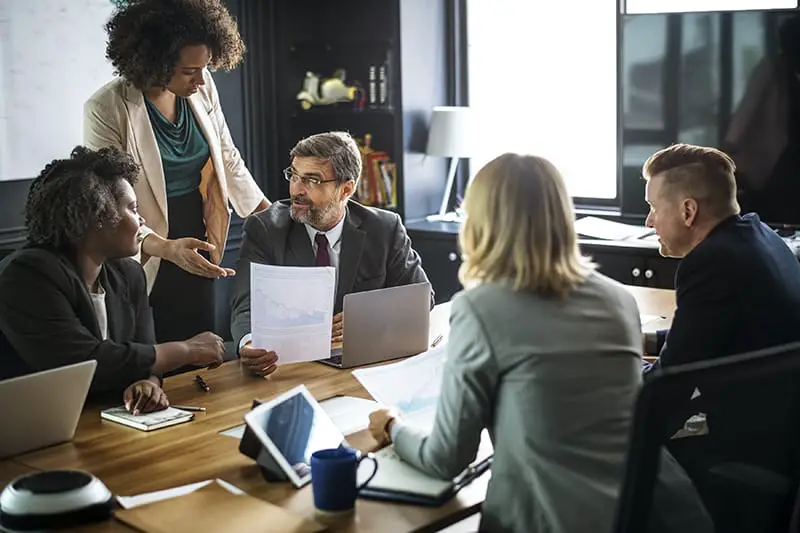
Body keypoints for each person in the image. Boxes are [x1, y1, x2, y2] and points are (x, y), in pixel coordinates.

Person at [365, 153, 644, 532]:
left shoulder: (481, 309)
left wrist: (392, 426)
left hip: (542, 518)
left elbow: (445, 459)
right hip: (635, 512)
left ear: (480, 223)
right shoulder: (619, 299)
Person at [84, 0, 270, 345]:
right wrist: (165, 248)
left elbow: (227, 158)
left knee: (200, 345)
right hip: (140, 240)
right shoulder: (106, 108)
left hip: (197, 232)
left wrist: (269, 216)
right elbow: (106, 203)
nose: (201, 79)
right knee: (153, 351)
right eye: (188, 71)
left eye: (205, 67)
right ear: (154, 61)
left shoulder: (202, 85)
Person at [641, 143, 800, 524]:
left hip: (745, 446)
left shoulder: (710, 263)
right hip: (782, 431)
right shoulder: (762, 238)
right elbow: (710, 336)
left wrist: (610, 382)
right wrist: (644, 343)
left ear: (688, 211)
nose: (649, 222)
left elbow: (668, 385)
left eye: (653, 207)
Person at [0, 147, 225, 414]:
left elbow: (142, 354)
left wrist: (147, 382)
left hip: (105, 421)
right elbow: (85, 363)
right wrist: (186, 350)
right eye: (132, 208)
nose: (141, 220)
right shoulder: (26, 275)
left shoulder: (129, 274)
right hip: (32, 426)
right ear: (97, 217)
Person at [230, 131, 432, 377]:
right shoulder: (265, 228)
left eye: (312, 180)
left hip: (362, 366)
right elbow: (245, 304)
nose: (297, 189)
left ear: (346, 190)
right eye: (294, 175)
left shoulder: (384, 229)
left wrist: (365, 317)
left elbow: (421, 299)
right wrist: (248, 343)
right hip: (290, 368)